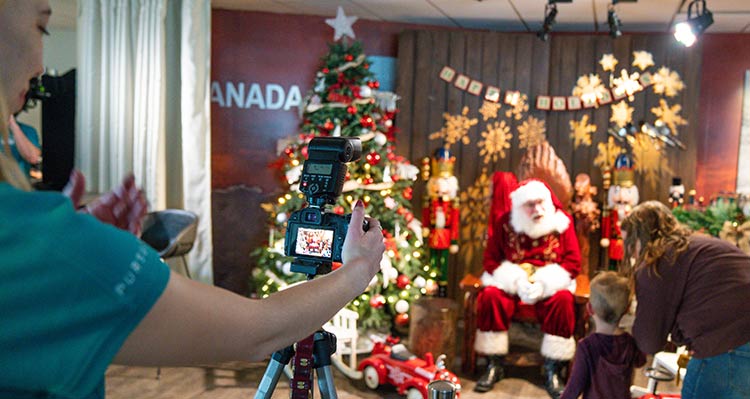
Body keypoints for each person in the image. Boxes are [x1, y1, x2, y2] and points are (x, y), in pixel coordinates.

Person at [0, 1, 386, 398]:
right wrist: (359, 268)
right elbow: (258, 332)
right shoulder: (30, 240)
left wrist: (82, 245)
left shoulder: (32, 238)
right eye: (41, 29)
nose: (42, 67)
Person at [621, 201, 750, 398]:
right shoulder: (702, 245)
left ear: (640, 239)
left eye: (630, 245)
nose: (632, 254)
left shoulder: (656, 264)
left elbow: (649, 341)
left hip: (727, 345)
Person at [474, 178, 581, 398]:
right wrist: (514, 281)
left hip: (549, 285)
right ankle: (494, 363)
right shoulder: (506, 222)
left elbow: (573, 262)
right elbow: (491, 261)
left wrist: (544, 284)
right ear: (520, 207)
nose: (538, 209)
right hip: (514, 284)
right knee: (490, 295)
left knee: (563, 300)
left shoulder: (563, 222)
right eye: (530, 205)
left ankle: (554, 367)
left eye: (541, 202)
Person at [560, 271, 646, 399]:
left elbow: (574, 388)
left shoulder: (587, 346)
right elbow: (641, 361)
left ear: (589, 309)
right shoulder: (630, 343)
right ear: (626, 309)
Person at [422, 146, 459, 297]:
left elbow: (455, 222)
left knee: (443, 262)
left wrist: (454, 240)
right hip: (433, 234)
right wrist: (425, 227)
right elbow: (425, 216)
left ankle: (443, 287)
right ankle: (432, 285)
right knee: (431, 259)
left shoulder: (452, 204)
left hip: (445, 235)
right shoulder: (430, 202)